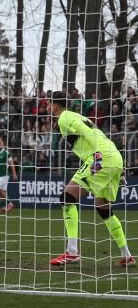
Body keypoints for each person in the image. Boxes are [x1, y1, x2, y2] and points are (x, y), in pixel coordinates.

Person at [49, 91, 133, 267]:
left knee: (67, 198)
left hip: (100, 158)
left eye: (49, 104)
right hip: (114, 157)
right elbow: (96, 134)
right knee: (103, 209)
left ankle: (72, 252)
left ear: (55, 106)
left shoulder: (63, 118)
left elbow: (89, 135)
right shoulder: (77, 115)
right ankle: (127, 255)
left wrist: (99, 159)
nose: (48, 107)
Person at [0, 135, 17, 214]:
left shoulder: (6, 153)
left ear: (3, 144)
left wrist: (14, 173)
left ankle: (10, 204)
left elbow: (11, 164)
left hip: (4, 175)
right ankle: (4, 207)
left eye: (0, 143)